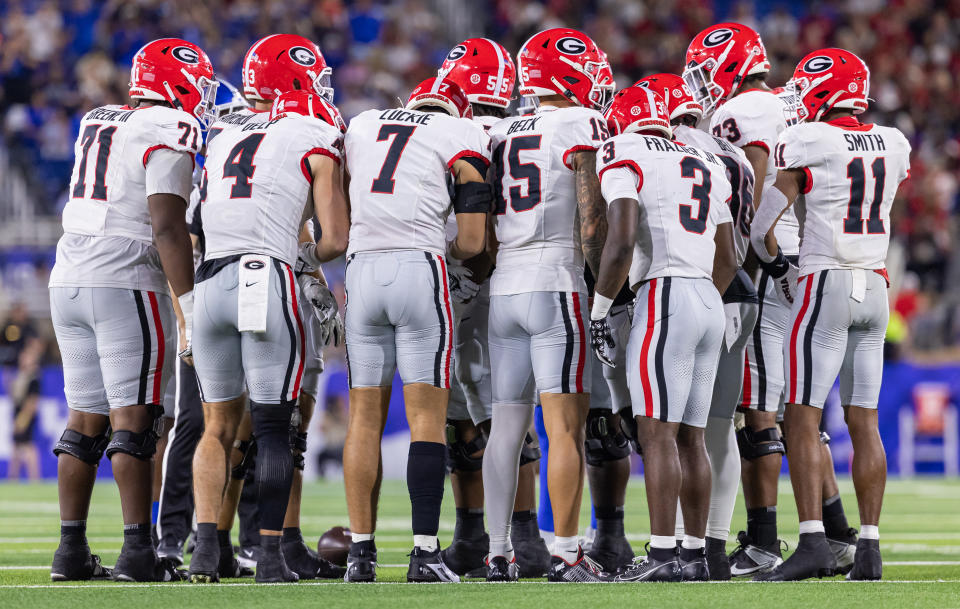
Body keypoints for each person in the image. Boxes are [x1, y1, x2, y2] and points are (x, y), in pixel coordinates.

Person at [684, 22, 857, 576]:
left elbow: (757, 193)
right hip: (806, 259)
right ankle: (837, 533)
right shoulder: (786, 102)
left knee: (758, 409)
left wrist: (751, 259)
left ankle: (763, 539)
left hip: (771, 261)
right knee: (794, 410)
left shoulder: (747, 112)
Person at [48, 38, 211, 582]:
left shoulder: (99, 117)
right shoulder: (170, 127)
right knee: (136, 421)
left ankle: (70, 552)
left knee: (83, 421)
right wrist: (189, 305)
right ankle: (138, 552)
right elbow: (166, 225)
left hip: (68, 274)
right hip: (125, 276)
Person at [752, 48, 910, 582]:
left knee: (801, 415)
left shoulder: (810, 141)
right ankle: (868, 546)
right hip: (877, 285)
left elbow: (759, 228)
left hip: (824, 280)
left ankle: (815, 542)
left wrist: (779, 269)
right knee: (864, 420)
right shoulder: (894, 140)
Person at [188, 63, 348, 583]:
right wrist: (305, 257)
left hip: (209, 280)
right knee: (275, 428)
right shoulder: (313, 131)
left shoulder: (224, 134)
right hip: (265, 274)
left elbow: (196, 226)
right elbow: (336, 238)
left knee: (217, 426)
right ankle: (271, 556)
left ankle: (208, 552)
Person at [341, 77, 490, 583]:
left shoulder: (362, 124)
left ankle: (360, 556)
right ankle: (425, 554)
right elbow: (471, 242)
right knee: (426, 419)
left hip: (360, 270)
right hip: (419, 267)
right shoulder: (459, 133)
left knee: (363, 419)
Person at [591, 85, 737, 582]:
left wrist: (600, 309)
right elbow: (730, 257)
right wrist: (702, 296)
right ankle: (693, 556)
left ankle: (659, 556)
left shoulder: (623, 149)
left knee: (656, 434)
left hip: (666, 295)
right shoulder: (705, 159)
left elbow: (622, 239)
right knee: (692, 437)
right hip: (707, 297)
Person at [484, 27, 612, 583]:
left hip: (503, 285)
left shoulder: (497, 128)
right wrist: (606, 282)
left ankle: (496, 552)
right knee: (564, 428)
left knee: (506, 426)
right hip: (555, 279)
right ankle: (564, 550)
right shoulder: (580, 123)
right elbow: (590, 224)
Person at [434, 36, 551, 579]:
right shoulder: (506, 129)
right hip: (490, 279)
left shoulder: (464, 133)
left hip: (471, 282)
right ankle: (489, 534)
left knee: (487, 416)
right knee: (486, 416)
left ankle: (506, 535)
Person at [636, 72, 757, 579]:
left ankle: (676, 551)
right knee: (708, 429)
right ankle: (704, 549)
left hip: (678, 290)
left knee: (664, 429)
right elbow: (734, 244)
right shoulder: (728, 156)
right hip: (727, 293)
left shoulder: (656, 149)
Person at [8, 339, 44, 482]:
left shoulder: (34, 377)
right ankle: (13, 478)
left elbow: (32, 401)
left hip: (25, 415)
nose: (23, 359)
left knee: (28, 446)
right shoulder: (22, 375)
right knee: (16, 446)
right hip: (18, 413)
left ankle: (34, 478)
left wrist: (22, 419)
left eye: (26, 356)